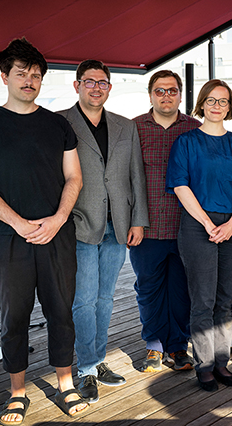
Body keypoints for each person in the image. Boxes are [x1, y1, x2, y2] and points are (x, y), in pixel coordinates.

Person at [0, 38, 88, 424]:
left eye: (35, 75)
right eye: (22, 73)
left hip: (57, 234)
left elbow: (74, 178)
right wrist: (19, 224)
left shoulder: (58, 125)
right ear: (5, 76)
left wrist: (56, 220)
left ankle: (66, 384)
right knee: (13, 317)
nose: (29, 80)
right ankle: (17, 392)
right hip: (8, 238)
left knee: (61, 312)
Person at [58, 59, 148, 403]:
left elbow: (135, 175)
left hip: (119, 224)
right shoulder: (60, 123)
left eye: (103, 82)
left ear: (110, 87)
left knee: (105, 298)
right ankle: (86, 369)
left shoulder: (125, 126)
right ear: (77, 85)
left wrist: (138, 219)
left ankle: (96, 361)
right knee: (83, 300)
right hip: (79, 223)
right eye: (90, 81)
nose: (97, 87)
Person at [167, 79, 232, 392]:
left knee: (224, 300)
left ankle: (222, 362)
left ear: (230, 107)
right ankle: (204, 366)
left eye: (223, 101)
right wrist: (207, 224)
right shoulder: (186, 142)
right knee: (203, 300)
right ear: (201, 104)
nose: (217, 106)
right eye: (211, 100)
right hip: (197, 225)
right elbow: (180, 185)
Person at [131, 70, 199, 373]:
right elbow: (124, 178)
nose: (166, 96)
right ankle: (154, 347)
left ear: (180, 95)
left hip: (187, 226)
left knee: (182, 289)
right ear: (150, 95)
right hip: (146, 226)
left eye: (172, 91)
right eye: (160, 91)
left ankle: (178, 347)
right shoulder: (134, 129)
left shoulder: (195, 128)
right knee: (149, 289)